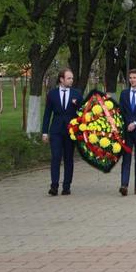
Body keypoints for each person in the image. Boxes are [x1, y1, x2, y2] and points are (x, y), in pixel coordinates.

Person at [41, 68, 82, 196]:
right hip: (56, 131)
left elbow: (82, 113)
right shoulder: (52, 94)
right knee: (56, 157)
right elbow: (47, 114)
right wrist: (44, 132)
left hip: (71, 131)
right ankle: (54, 186)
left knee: (69, 158)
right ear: (61, 79)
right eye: (69, 78)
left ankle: (66, 186)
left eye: (72, 78)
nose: (71, 80)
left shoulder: (77, 93)